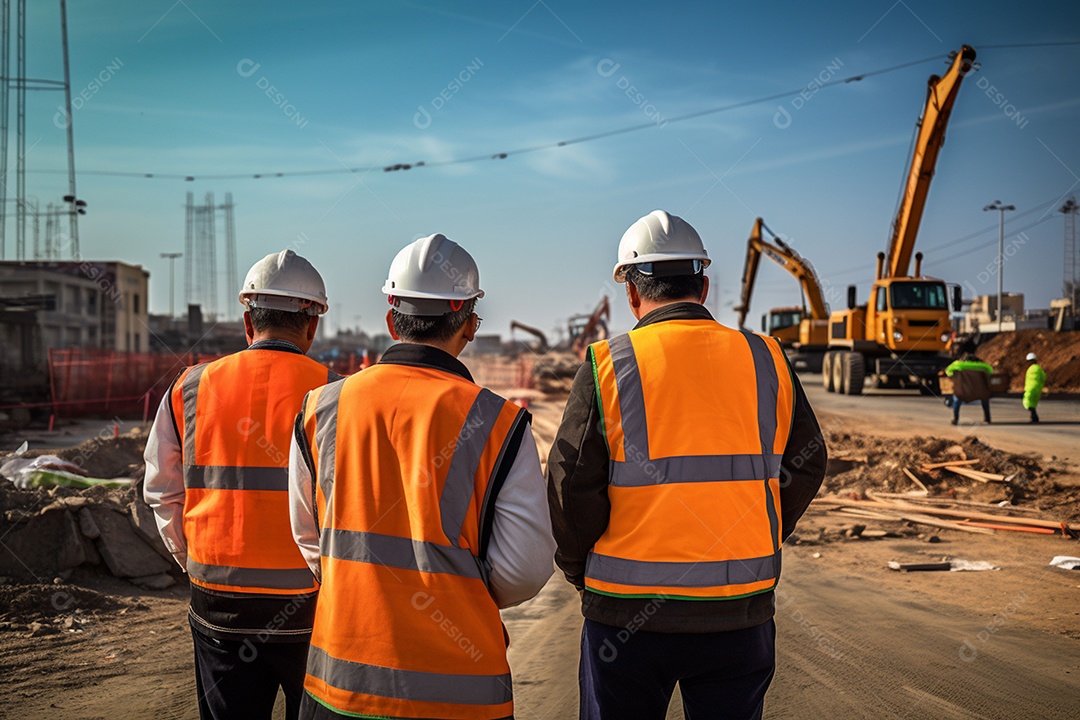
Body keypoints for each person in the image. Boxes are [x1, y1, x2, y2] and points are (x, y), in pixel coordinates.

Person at [546, 210, 826, 720]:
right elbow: (806, 464)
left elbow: (570, 483)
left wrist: (578, 568)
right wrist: (753, 533)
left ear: (632, 293)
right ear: (703, 283)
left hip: (627, 614)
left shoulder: (609, 362)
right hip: (739, 610)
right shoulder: (768, 357)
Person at [289, 233, 555, 720]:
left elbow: (309, 537)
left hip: (340, 685)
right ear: (470, 325)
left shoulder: (321, 407)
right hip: (461, 694)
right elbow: (525, 570)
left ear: (391, 319)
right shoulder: (498, 422)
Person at [144, 249, 339, 720]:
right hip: (312, 603)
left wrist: (193, 559)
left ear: (247, 322)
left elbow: (161, 490)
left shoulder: (188, 387)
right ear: (312, 326)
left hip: (219, 601)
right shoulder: (339, 396)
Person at [943, 353, 993, 426]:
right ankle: (987, 418)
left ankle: (956, 418)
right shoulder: (984, 367)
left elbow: (948, 371)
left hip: (963, 391)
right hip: (980, 391)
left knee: (956, 399)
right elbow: (990, 371)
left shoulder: (958, 365)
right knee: (985, 399)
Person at [1023, 352, 1046, 423]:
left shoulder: (1030, 369)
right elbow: (1044, 377)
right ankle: (1033, 415)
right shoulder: (1038, 368)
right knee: (1033, 402)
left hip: (1030, 388)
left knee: (1028, 402)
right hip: (1037, 388)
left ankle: (1034, 416)